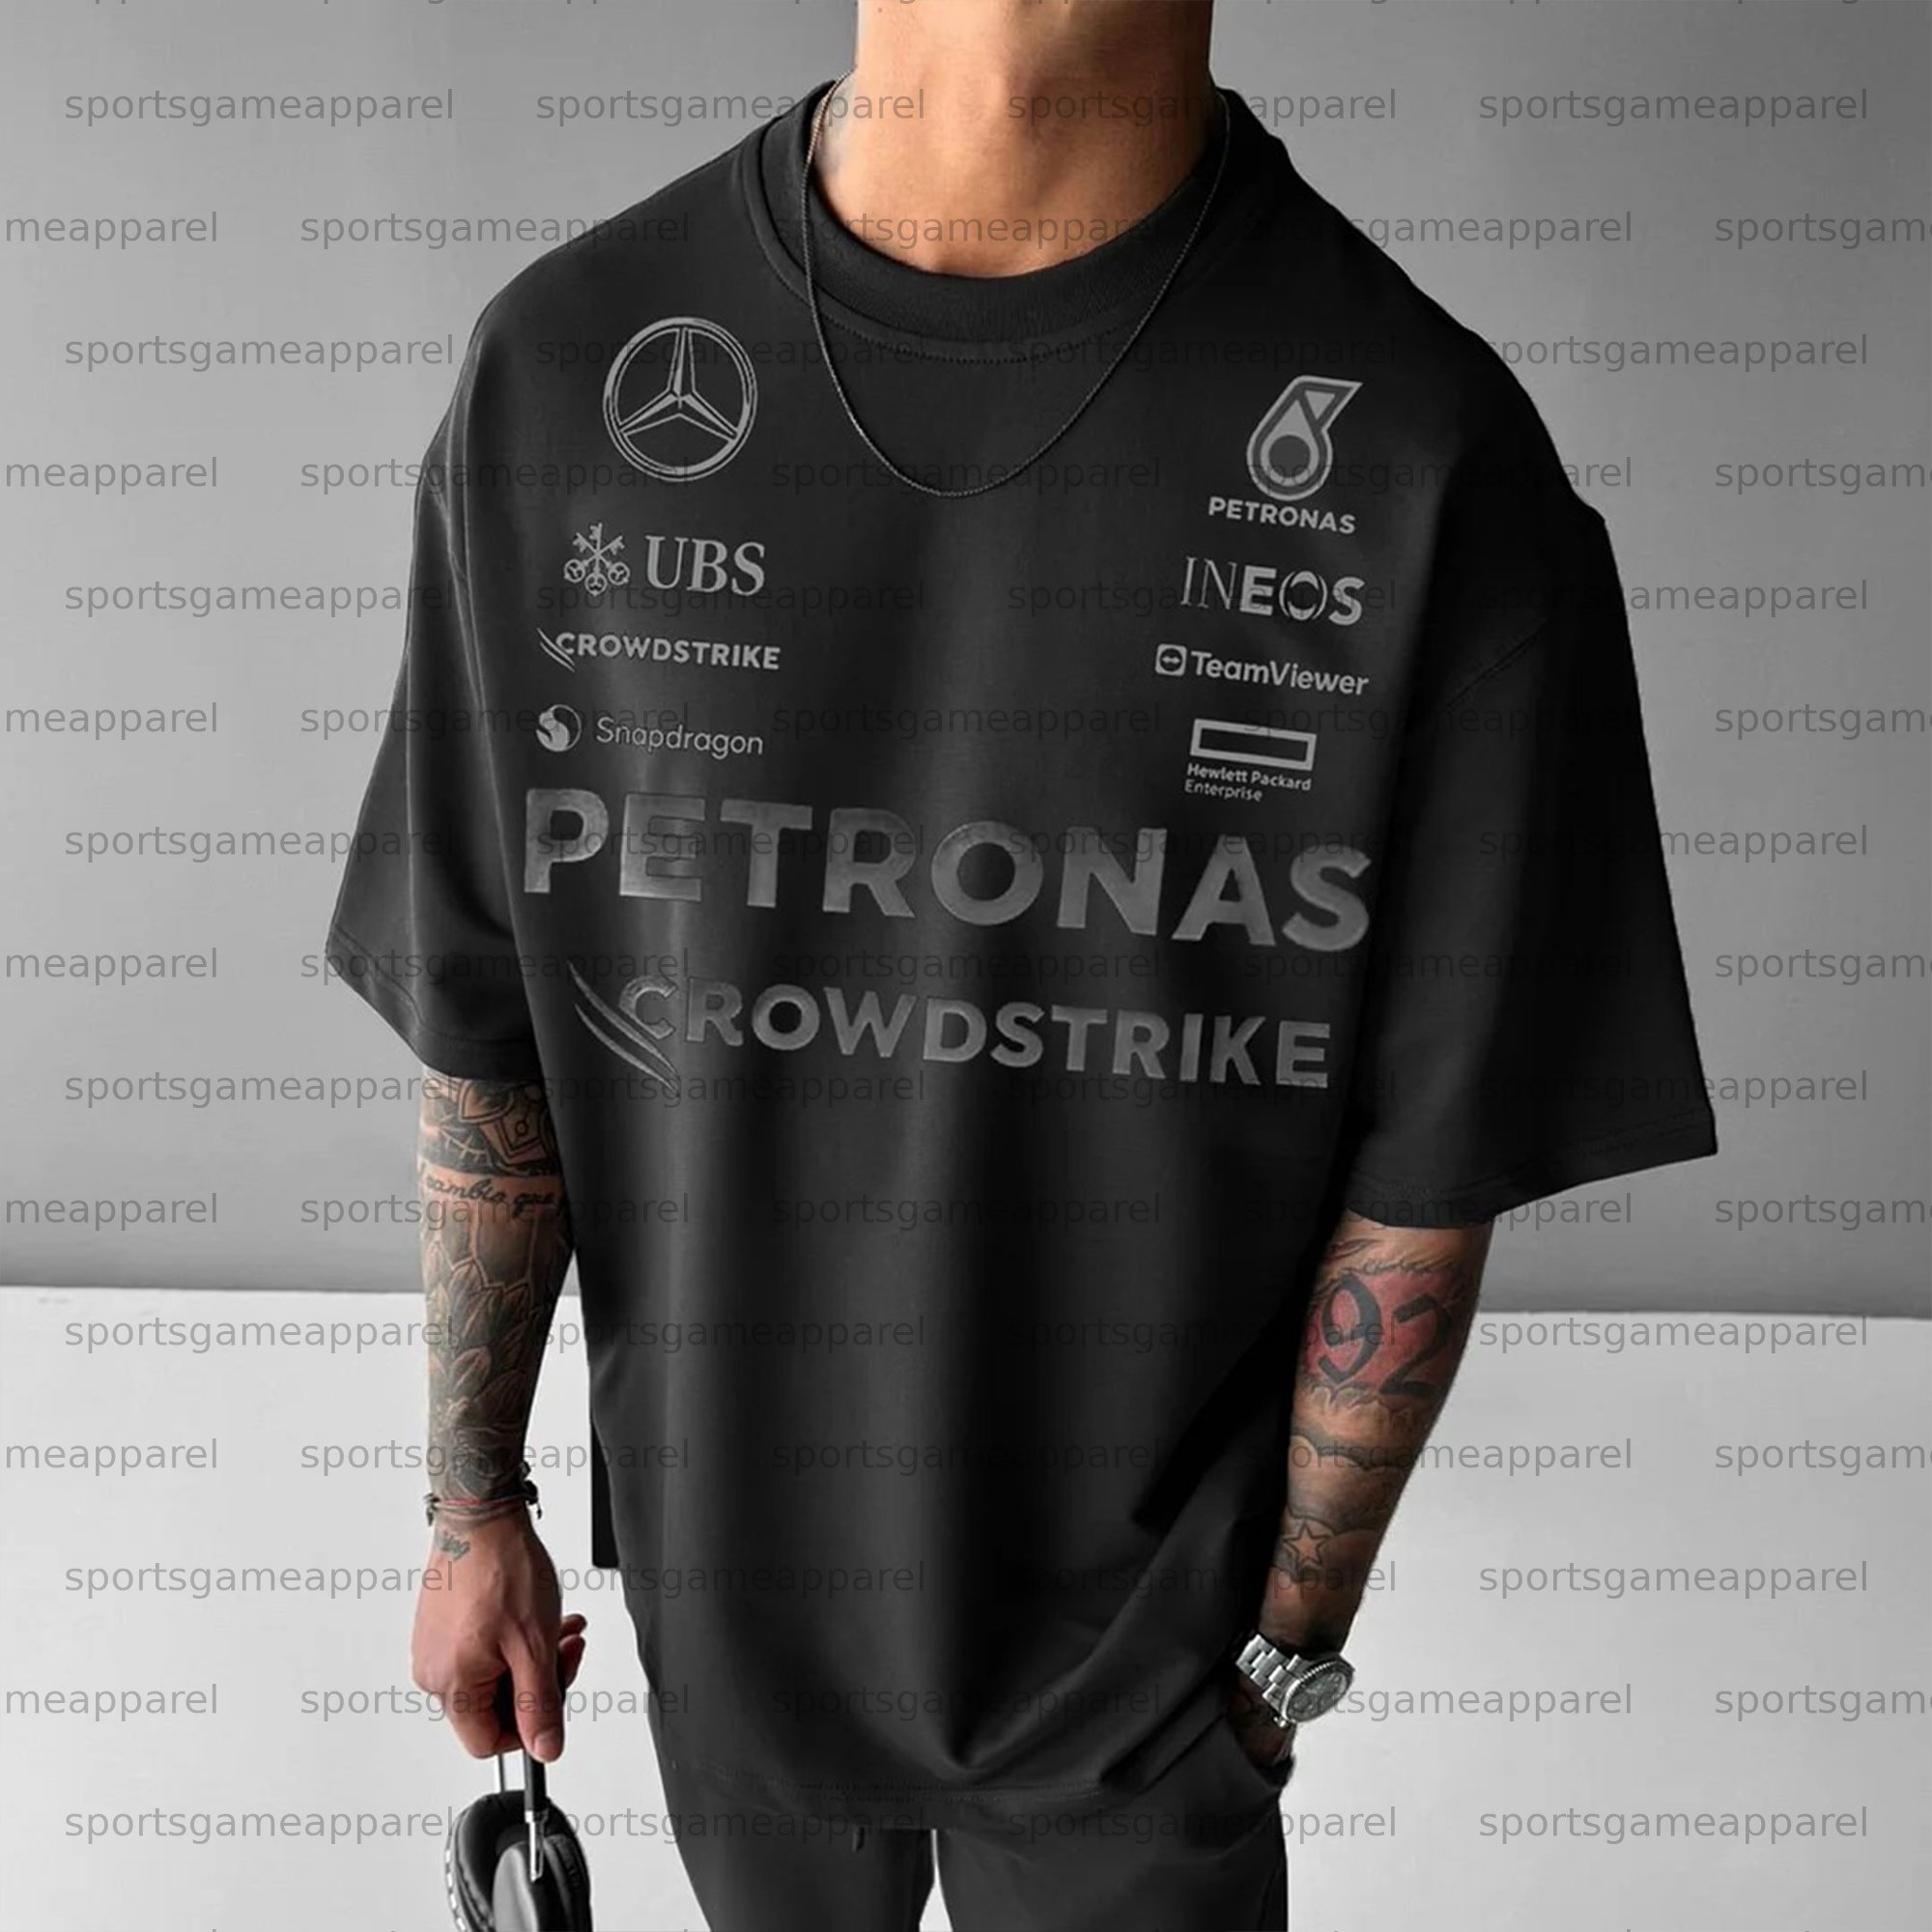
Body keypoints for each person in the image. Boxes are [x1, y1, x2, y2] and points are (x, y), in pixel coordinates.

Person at [326, 3, 1718, 1926]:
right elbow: (492, 1015)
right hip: (720, 1627)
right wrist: (474, 1507)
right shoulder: (567, 371)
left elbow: (1432, 1163)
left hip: (1147, 1689)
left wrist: (1278, 1662)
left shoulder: (1425, 455)